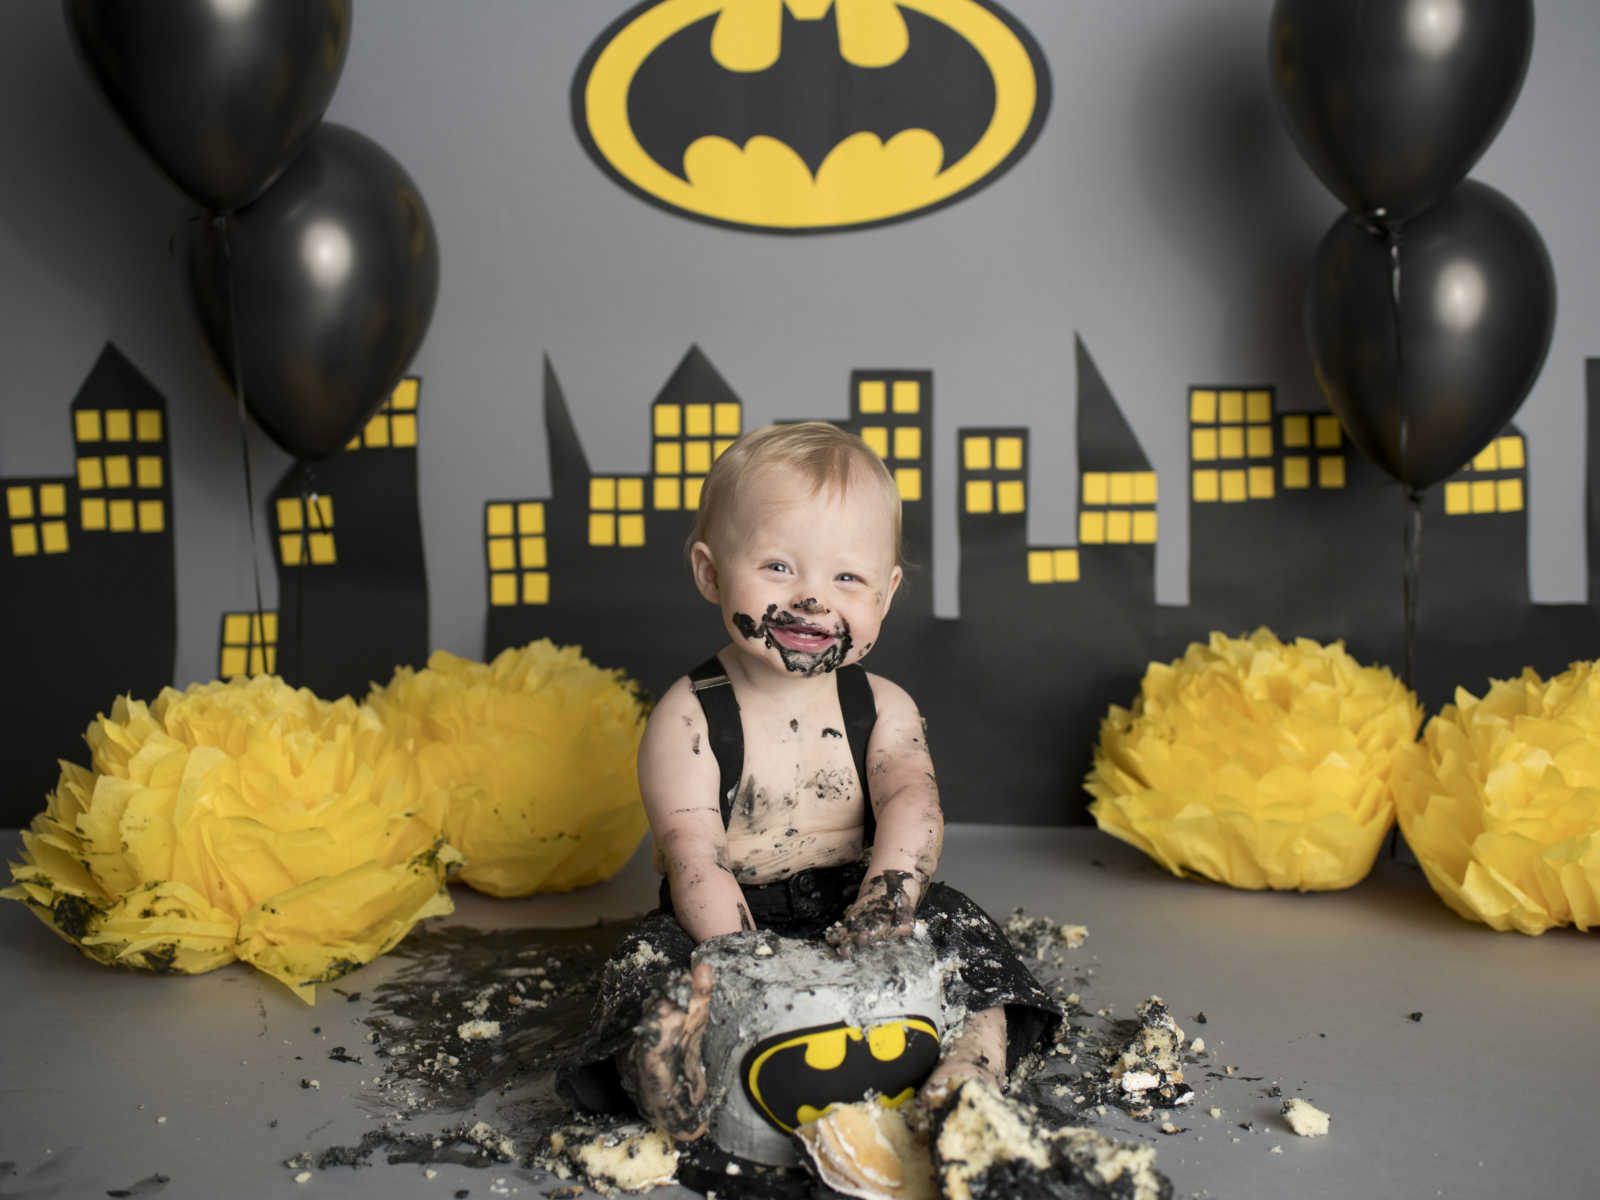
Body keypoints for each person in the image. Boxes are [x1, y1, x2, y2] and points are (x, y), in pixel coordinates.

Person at [558, 421, 1059, 1142]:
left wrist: (889, 900)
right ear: (710, 572)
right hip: (726, 913)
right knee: (646, 973)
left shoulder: (883, 707)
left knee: (967, 935)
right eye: (779, 568)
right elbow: (693, 850)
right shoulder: (689, 717)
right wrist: (741, 959)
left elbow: (913, 805)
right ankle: (660, 1070)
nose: (814, 600)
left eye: (846, 578)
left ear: (885, 596)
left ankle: (973, 1062)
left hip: (856, 897)